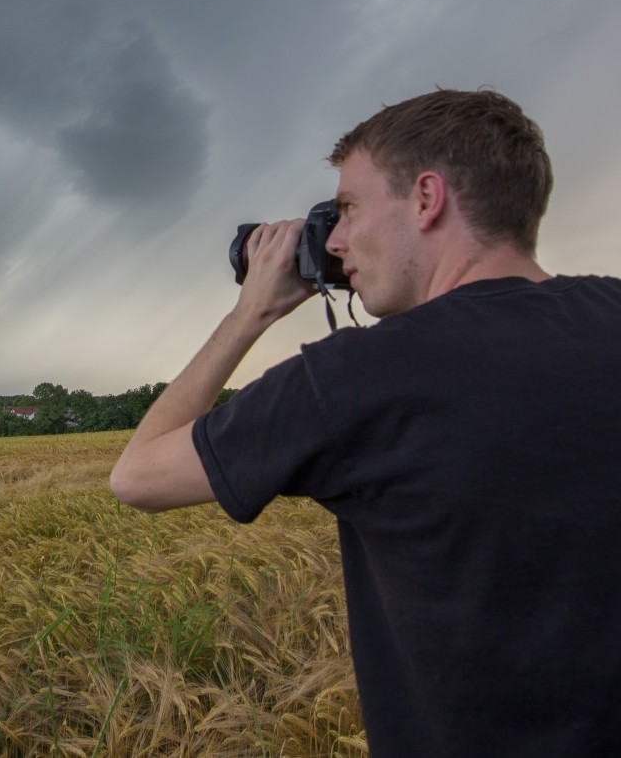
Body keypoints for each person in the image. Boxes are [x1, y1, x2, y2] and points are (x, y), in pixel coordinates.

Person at [110, 89, 621, 757]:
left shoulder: (355, 378)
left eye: (347, 208)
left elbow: (138, 474)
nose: (340, 240)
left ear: (426, 198)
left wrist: (251, 313)